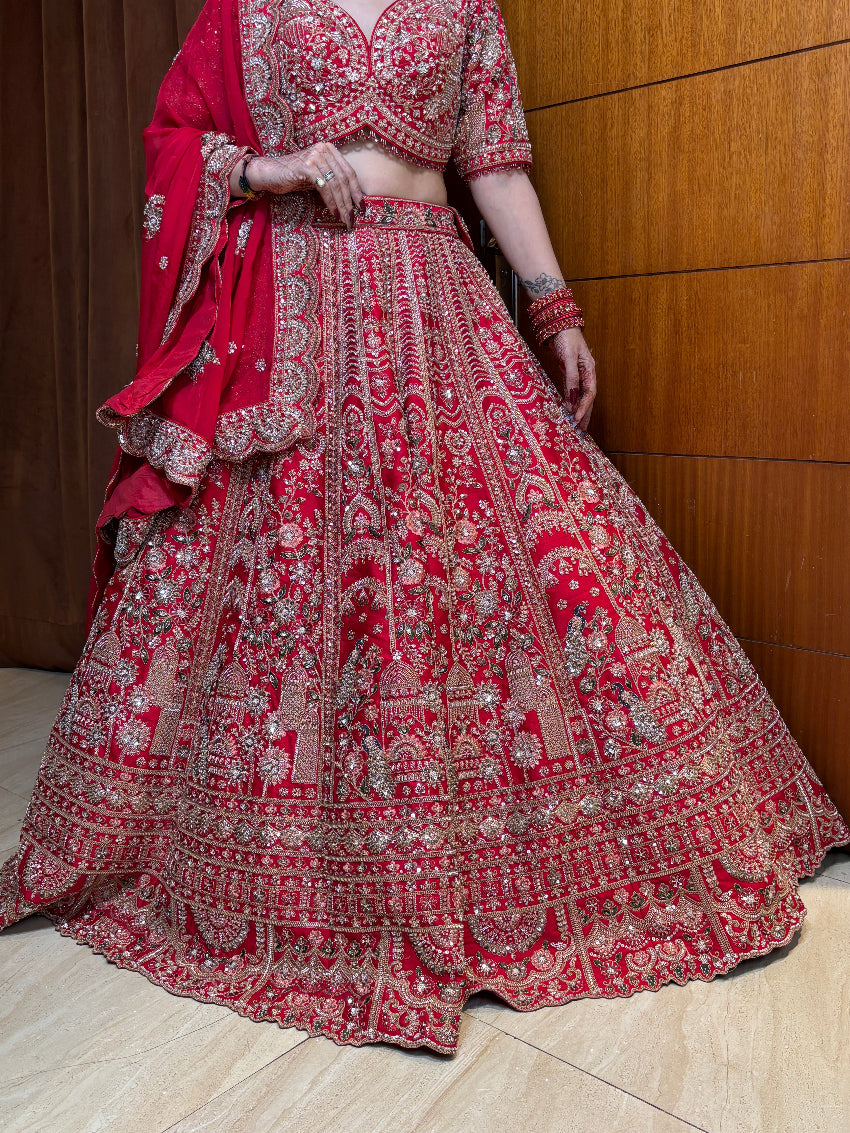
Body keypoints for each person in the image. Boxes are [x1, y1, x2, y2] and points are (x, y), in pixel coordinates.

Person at [1, 0, 846, 1055]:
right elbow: (175, 142)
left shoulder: (464, 4)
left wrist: (551, 303)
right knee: (284, 580)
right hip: (291, 305)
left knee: (514, 555)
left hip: (436, 292)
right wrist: (271, 171)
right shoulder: (251, 3)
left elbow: (491, 161)